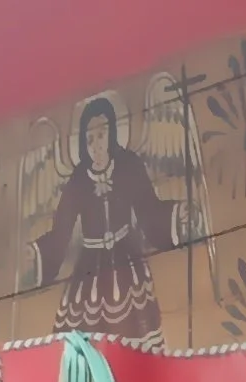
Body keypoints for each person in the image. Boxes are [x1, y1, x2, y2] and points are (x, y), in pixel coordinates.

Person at [39, 95, 171, 342]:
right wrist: (36, 253)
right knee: (87, 339)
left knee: (133, 333)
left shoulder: (129, 165)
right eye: (89, 139)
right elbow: (61, 233)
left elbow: (150, 211)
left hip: (126, 261)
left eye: (101, 135)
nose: (96, 146)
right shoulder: (79, 179)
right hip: (89, 267)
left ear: (112, 133)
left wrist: (178, 217)